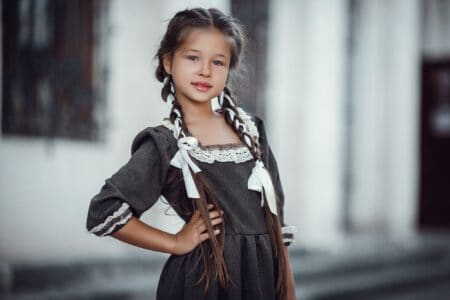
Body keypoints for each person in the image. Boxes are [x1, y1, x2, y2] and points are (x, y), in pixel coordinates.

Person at [86, 7, 297, 300]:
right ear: (169, 61)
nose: (205, 71)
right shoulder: (167, 144)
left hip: (260, 283)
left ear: (229, 69)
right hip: (202, 286)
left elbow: (277, 223)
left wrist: (287, 289)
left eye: (218, 61)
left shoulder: (252, 132)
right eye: (193, 57)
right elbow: (104, 212)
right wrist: (175, 242)